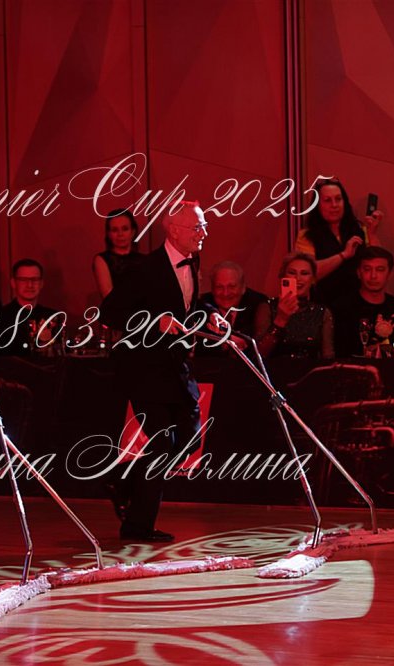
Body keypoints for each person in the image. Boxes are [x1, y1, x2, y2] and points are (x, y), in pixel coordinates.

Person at [100, 201, 208, 542]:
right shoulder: (144, 269)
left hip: (176, 368)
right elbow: (110, 312)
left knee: (189, 438)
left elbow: (184, 304)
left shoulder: (193, 260)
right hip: (143, 369)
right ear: (173, 230)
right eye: (197, 227)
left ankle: (123, 480)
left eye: (204, 226)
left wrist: (210, 314)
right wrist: (154, 321)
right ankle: (138, 525)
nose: (203, 233)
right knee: (163, 444)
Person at [295, 179, 382, 305]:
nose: (334, 205)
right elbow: (310, 273)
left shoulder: (358, 229)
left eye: (338, 199)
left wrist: (372, 234)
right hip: (323, 303)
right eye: (327, 200)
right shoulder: (306, 236)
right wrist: (343, 255)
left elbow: (379, 263)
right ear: (317, 205)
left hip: (358, 301)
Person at [331, 246, 394, 357]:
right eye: (367, 269)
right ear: (358, 273)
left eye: (380, 270)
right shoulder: (342, 308)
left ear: (390, 274)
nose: (373, 276)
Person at [257, 253, 335, 359]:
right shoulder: (267, 307)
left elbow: (328, 356)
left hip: (310, 369)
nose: (298, 278)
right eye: (292, 273)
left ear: (313, 279)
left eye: (304, 273)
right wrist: (280, 320)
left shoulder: (322, 312)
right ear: (283, 277)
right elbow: (258, 355)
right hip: (274, 368)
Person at [196, 261, 269, 354]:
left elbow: (260, 347)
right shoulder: (202, 306)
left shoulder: (259, 304)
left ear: (243, 287)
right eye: (219, 287)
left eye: (231, 286)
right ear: (212, 289)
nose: (225, 293)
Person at [0, 259, 60, 356]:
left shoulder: (53, 317)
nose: (30, 285)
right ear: (13, 283)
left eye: (35, 280)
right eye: (23, 280)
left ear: (41, 283)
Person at [92, 209, 145, 299]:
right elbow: (108, 296)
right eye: (114, 230)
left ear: (132, 232)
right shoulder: (101, 260)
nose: (120, 234)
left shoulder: (144, 260)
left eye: (125, 229)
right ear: (109, 234)